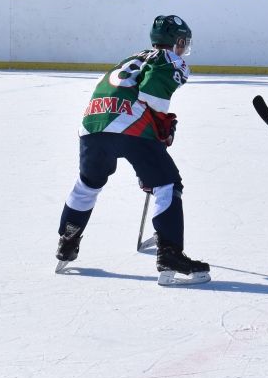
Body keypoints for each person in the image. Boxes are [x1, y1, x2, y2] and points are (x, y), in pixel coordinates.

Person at [55, 15, 210, 285]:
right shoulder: (170, 59)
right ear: (179, 41)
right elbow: (152, 97)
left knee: (88, 184)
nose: (185, 49)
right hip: (130, 125)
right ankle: (170, 254)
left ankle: (67, 241)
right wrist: (162, 126)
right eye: (184, 43)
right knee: (167, 184)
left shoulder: (131, 58)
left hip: (93, 124)